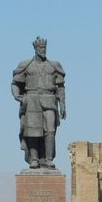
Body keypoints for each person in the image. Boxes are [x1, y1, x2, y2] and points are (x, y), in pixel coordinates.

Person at [11, 36, 66, 169]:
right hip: (31, 100)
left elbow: (60, 87)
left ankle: (48, 159)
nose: (43, 50)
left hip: (49, 100)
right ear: (35, 48)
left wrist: (63, 104)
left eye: (44, 48)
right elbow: (15, 83)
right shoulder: (26, 65)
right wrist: (17, 96)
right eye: (41, 48)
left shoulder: (54, 65)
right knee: (32, 132)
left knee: (50, 130)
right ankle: (34, 159)